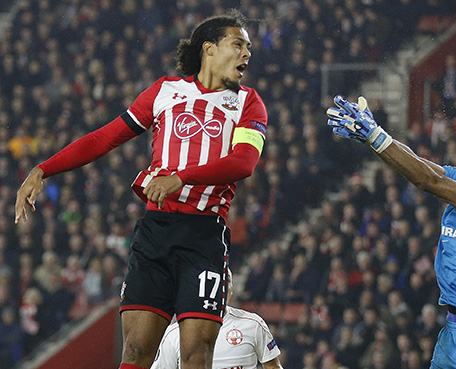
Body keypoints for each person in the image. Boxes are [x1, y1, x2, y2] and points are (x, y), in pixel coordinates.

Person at [15, 10, 267, 369]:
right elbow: (105, 137)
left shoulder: (248, 102)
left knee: (196, 357)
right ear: (209, 49)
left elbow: (244, 162)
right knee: (135, 353)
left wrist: (179, 178)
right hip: (155, 233)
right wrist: (43, 169)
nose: (247, 53)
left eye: (249, 47)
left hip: (204, 238)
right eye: (238, 44)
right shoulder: (165, 91)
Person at [326, 95, 456, 368]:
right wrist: (378, 136)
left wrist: (375, 137)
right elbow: (420, 164)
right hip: (454, 328)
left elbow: (427, 181)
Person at [151, 270, 283, 369]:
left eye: (227, 281)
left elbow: (273, 366)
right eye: (213, 282)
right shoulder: (174, 334)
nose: (222, 287)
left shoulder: (253, 324)